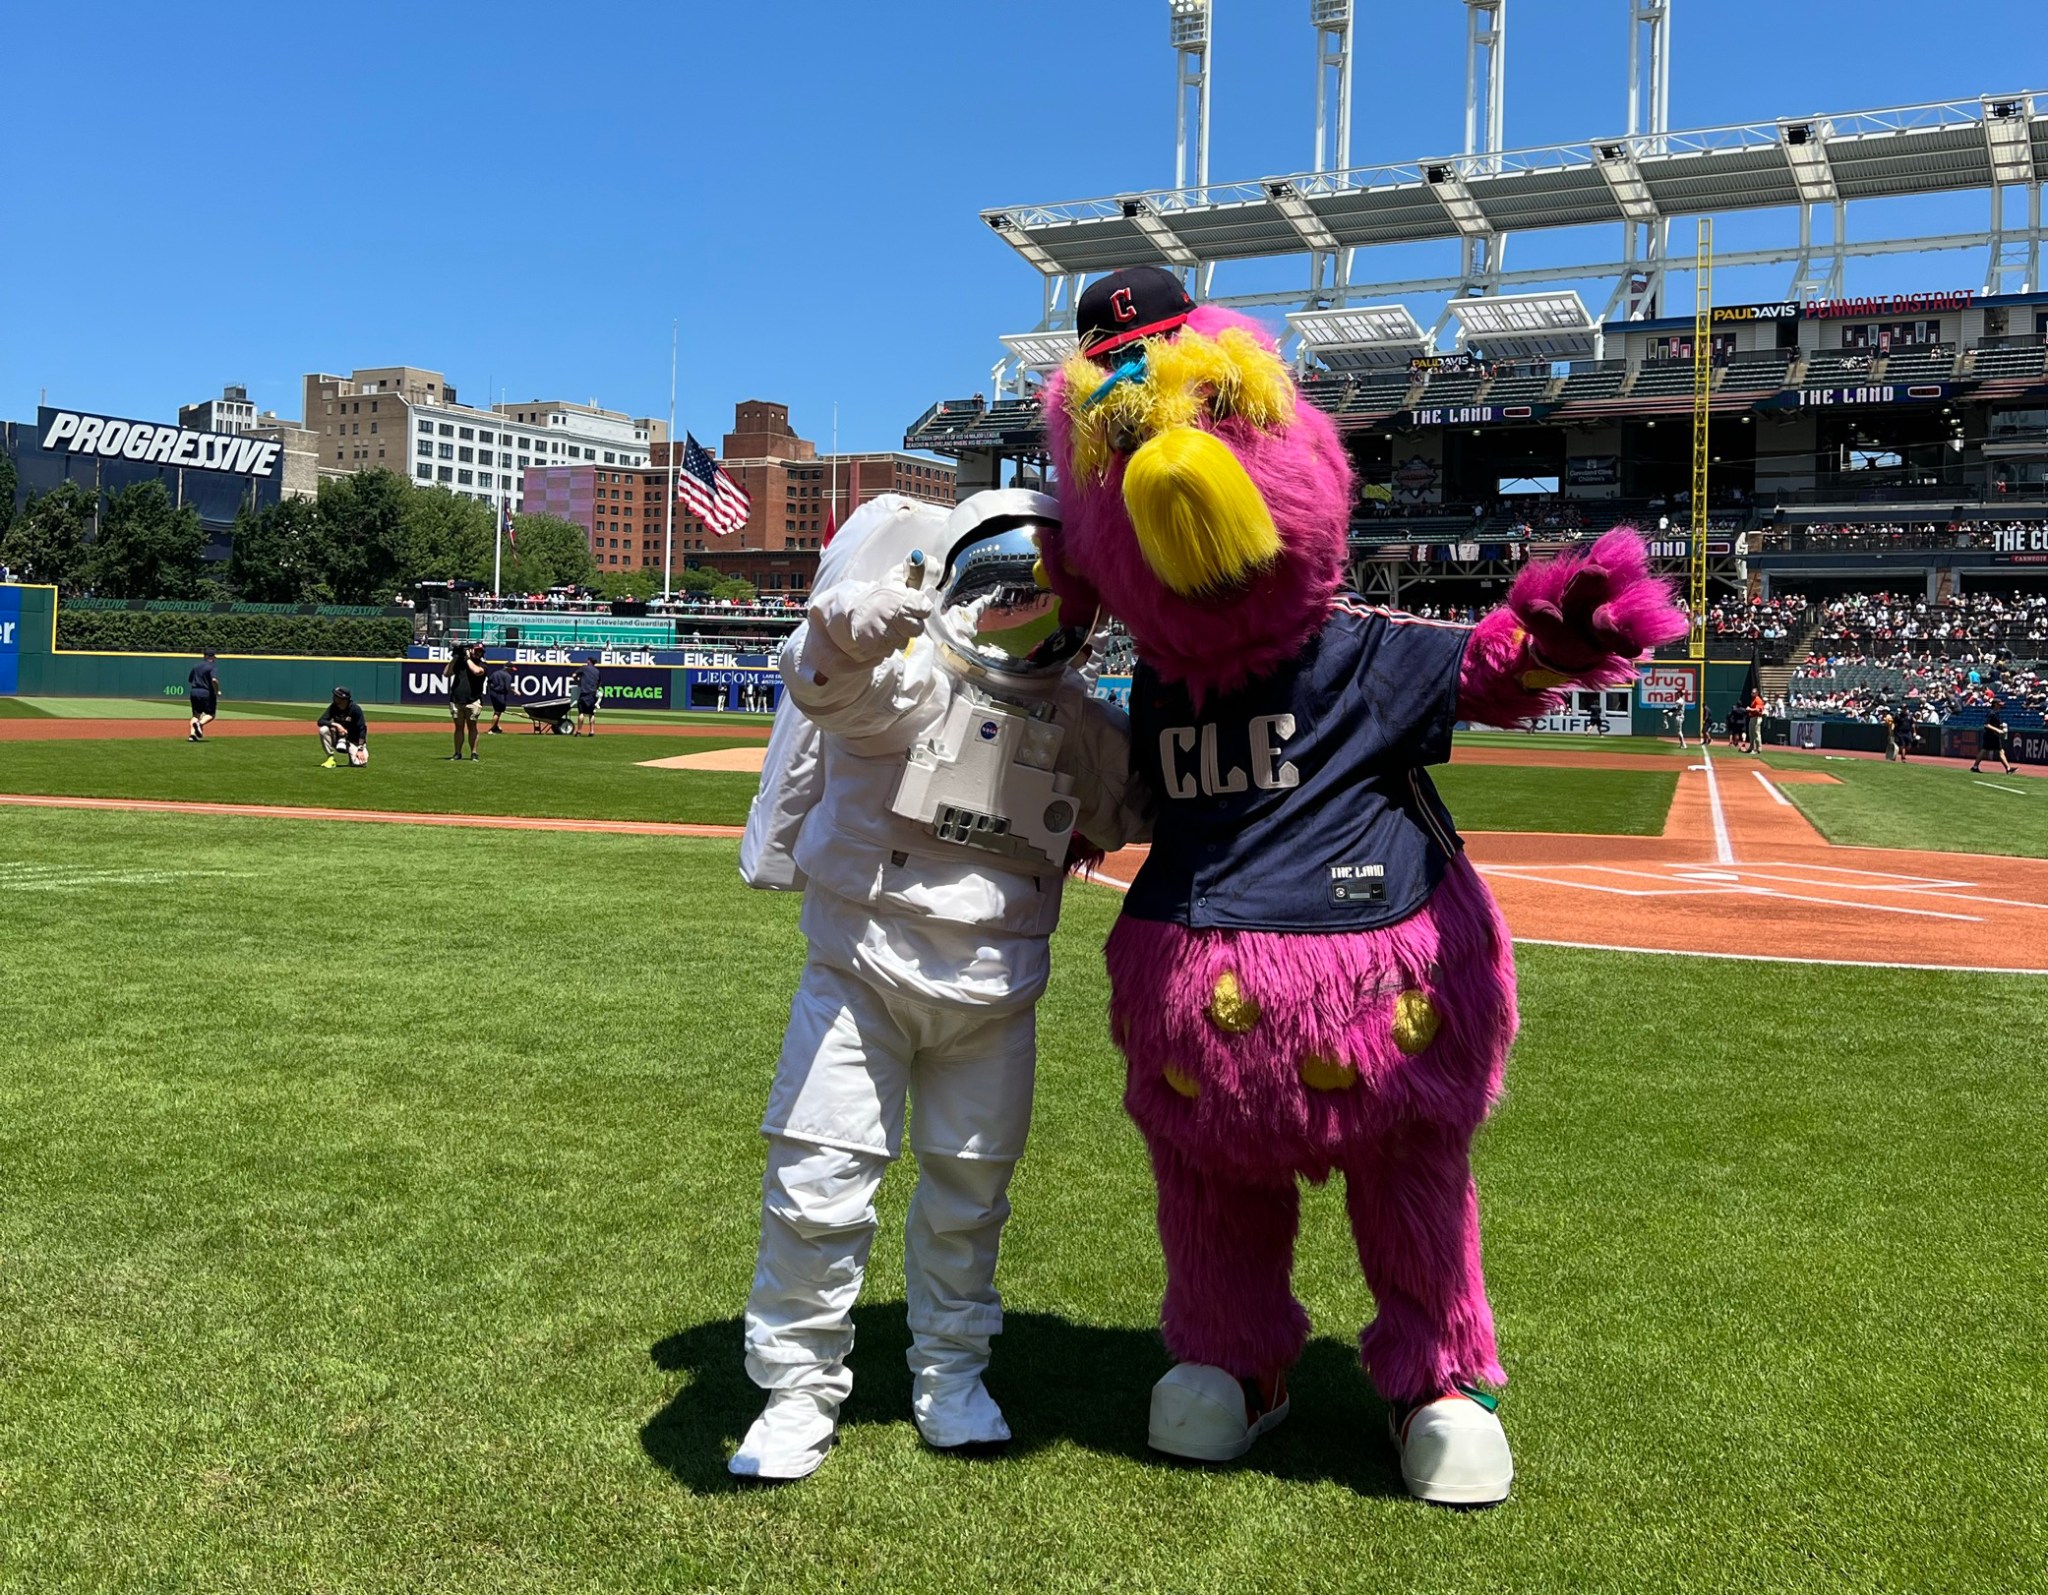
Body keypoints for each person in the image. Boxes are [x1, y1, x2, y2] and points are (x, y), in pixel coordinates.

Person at [728, 491, 1147, 1481]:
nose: (1049, 614)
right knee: (816, 1187)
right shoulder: (907, 678)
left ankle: (952, 1376)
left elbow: (1139, 803)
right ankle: (795, 1391)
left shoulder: (1077, 716)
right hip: (861, 968)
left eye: (1071, 600)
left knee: (969, 1196)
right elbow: (825, 686)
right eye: (1028, 587)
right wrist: (838, 630)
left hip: (998, 982)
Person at [444, 641, 485, 760]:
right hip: (457, 700)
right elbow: (446, 673)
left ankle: (474, 753)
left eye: (480, 652)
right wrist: (455, 657)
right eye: (476, 650)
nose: (478, 653)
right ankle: (457, 753)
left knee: (472, 727)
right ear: (471, 650)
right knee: (458, 727)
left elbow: (476, 671)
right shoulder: (460, 663)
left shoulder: (482, 664)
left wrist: (467, 658)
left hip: (473, 700)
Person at [316, 687, 368, 768]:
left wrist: (360, 750)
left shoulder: (355, 709)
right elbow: (320, 721)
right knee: (323, 730)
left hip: (354, 741)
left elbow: (362, 729)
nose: (334, 697)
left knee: (360, 763)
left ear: (343, 699)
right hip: (338, 739)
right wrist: (337, 725)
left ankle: (352, 757)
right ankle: (330, 758)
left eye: (336, 696)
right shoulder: (333, 707)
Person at [186, 651, 221, 742]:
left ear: (204, 656)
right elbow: (214, 680)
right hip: (206, 693)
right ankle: (199, 724)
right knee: (211, 714)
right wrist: (216, 691)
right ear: (213, 657)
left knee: (196, 715)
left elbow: (190, 680)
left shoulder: (196, 666)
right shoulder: (212, 667)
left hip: (194, 691)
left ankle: (192, 735)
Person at [1973, 702, 2016, 775]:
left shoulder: (1996, 713)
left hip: (1994, 735)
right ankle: (1975, 766)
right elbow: (1986, 724)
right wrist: (1998, 730)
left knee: (1999, 751)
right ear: (1995, 704)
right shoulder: (1991, 713)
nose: (2001, 705)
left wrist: (2001, 726)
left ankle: (2008, 768)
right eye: (1999, 704)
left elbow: (1994, 724)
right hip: (1990, 735)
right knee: (1986, 750)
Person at [574, 653, 602, 736]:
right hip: (592, 694)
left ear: (589, 661)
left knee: (581, 713)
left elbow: (574, 675)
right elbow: (598, 683)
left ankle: (579, 731)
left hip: (583, 693)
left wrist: (578, 682)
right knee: (591, 713)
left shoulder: (584, 668)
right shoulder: (597, 671)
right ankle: (592, 731)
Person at [485, 658, 513, 735]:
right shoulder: (508, 676)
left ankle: (496, 727)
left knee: (497, 711)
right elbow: (507, 687)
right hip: (500, 694)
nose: (512, 671)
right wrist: (514, 691)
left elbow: (488, 681)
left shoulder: (495, 673)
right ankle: (491, 729)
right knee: (498, 712)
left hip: (493, 694)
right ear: (508, 668)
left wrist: (491, 689)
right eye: (511, 669)